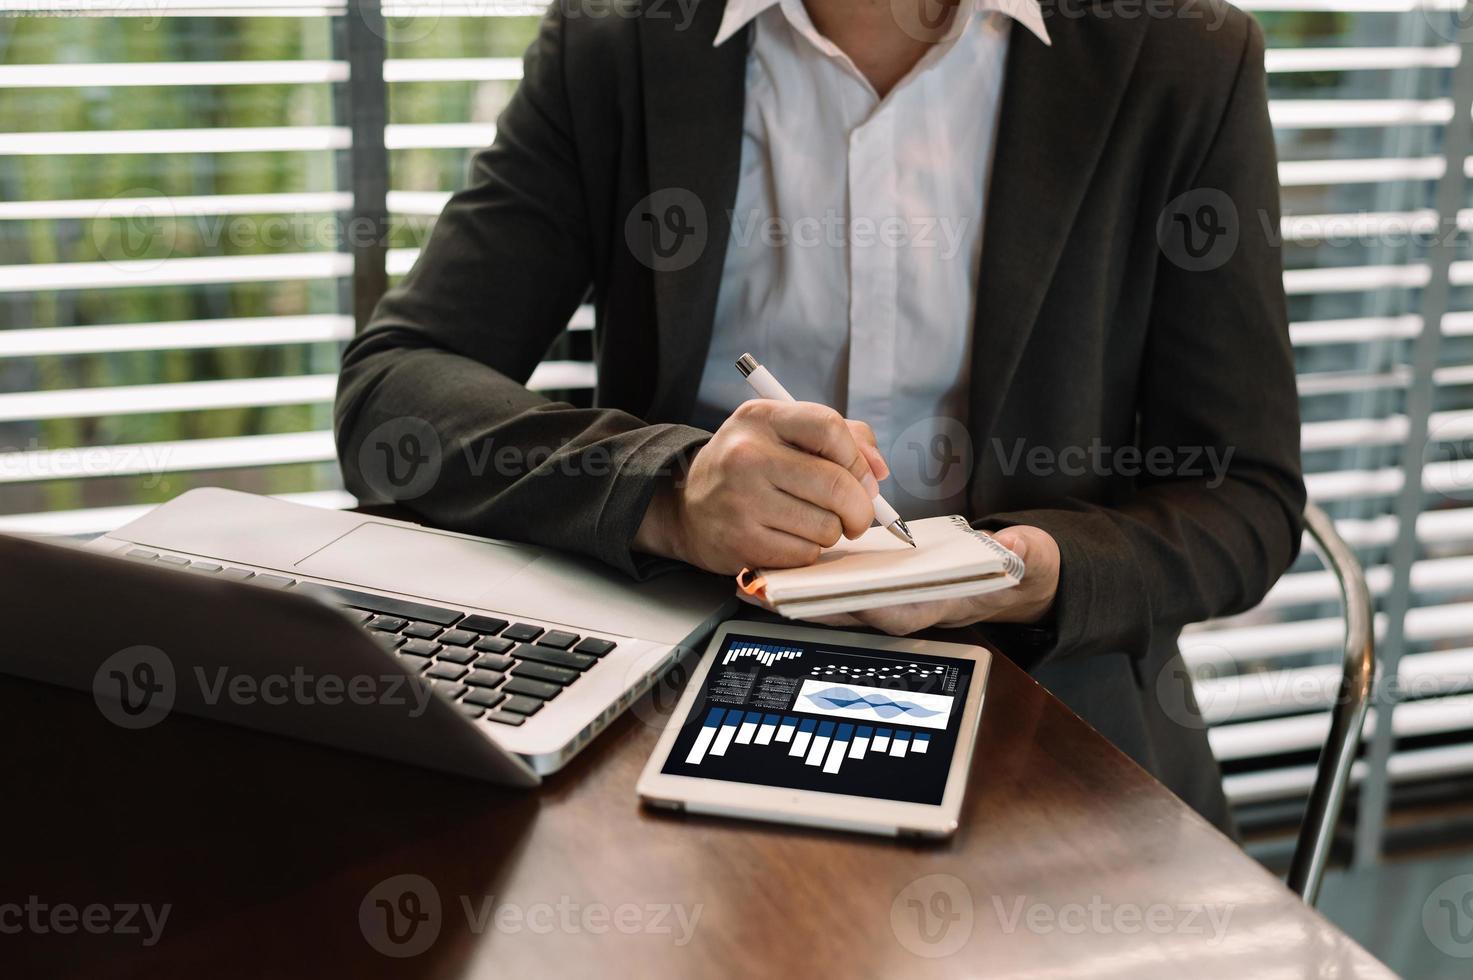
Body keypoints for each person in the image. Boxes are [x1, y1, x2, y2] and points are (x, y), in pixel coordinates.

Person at [335, 0, 1305, 833]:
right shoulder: (623, 39)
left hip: (1047, 702)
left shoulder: (1179, 54)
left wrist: (1024, 572)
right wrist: (666, 489)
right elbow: (396, 390)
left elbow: (1243, 498)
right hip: (683, 672)